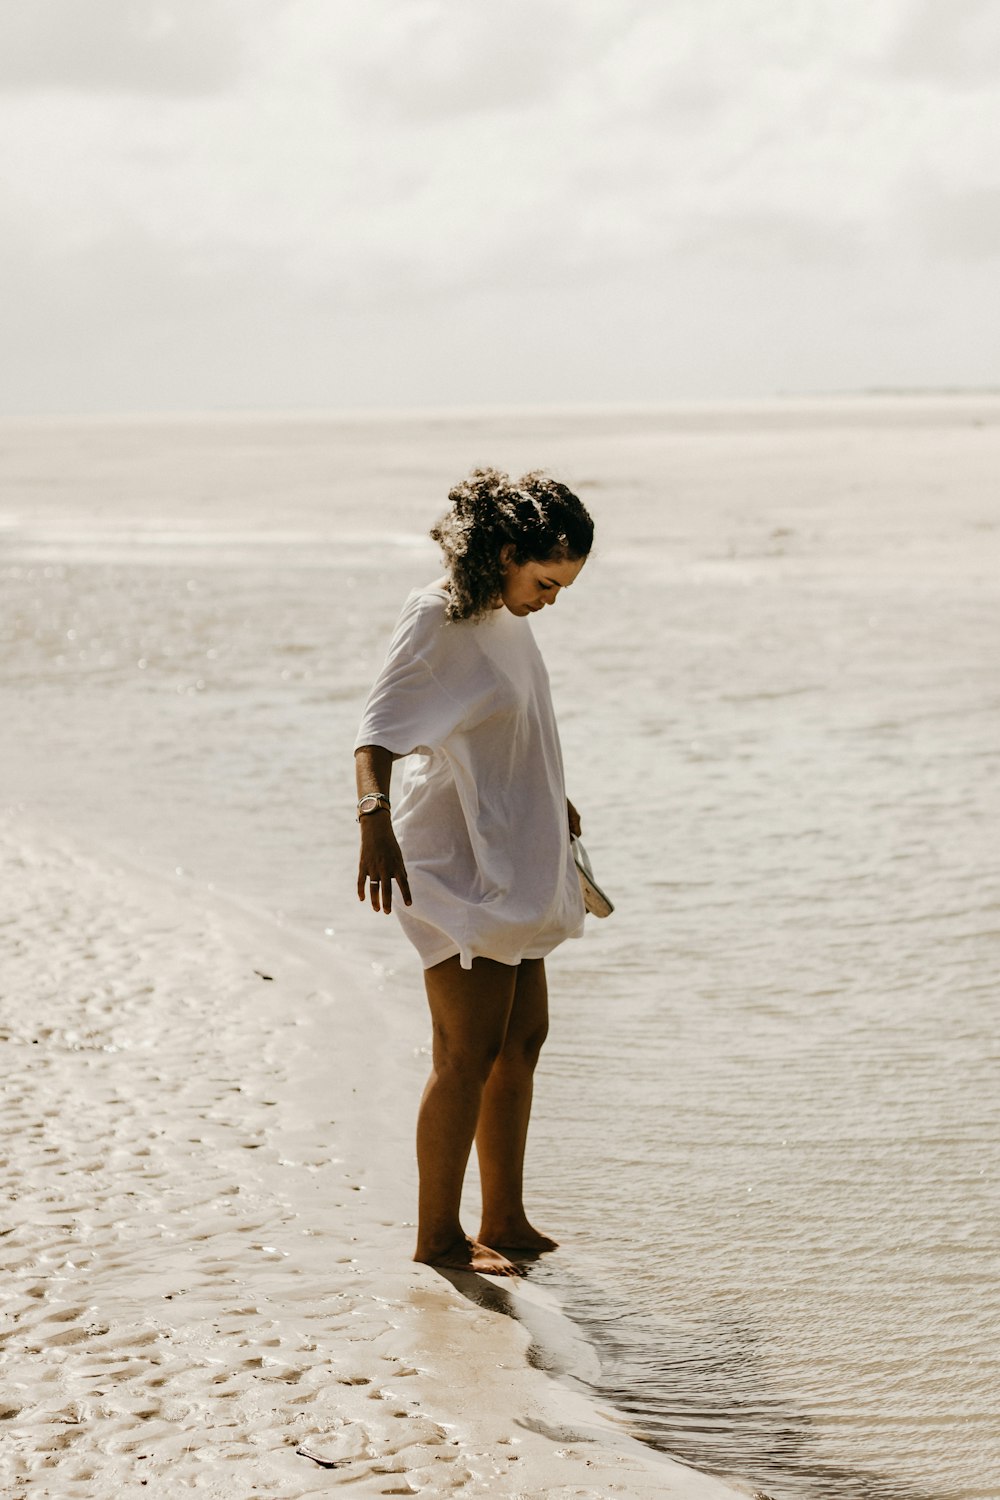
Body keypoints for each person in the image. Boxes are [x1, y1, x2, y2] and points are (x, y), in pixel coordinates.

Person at [354, 466, 594, 1277]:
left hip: (515, 844)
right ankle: (439, 1239)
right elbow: (377, 732)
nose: (551, 599)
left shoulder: (507, 616)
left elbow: (506, 728)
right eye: (546, 579)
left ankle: (506, 1216)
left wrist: (553, 801)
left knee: (522, 1038)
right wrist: (372, 824)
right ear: (506, 550)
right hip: (458, 862)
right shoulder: (438, 616)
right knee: (467, 1051)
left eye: (562, 587)